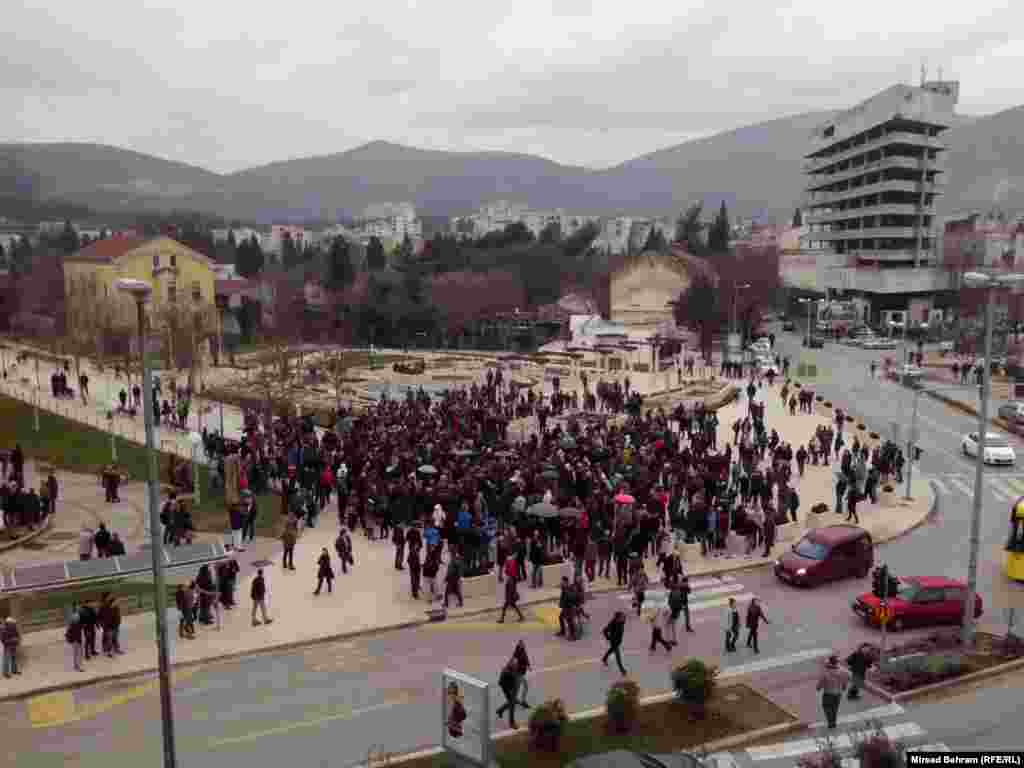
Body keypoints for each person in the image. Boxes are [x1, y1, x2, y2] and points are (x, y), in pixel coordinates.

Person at [816, 655, 849, 729]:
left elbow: (820, 683)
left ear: (830, 663)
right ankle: (833, 722)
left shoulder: (826, 672)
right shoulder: (842, 671)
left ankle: (830, 722)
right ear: (837, 662)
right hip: (838, 693)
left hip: (828, 693)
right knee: (834, 708)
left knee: (827, 707)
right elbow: (845, 680)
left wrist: (818, 688)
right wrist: (844, 687)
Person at [495, 658, 522, 729]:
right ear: (510, 664)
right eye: (515, 665)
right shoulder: (507, 672)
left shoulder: (512, 670)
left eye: (516, 664)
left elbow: (516, 678)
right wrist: (511, 691)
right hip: (507, 688)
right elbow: (501, 682)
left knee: (513, 702)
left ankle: (500, 710)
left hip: (510, 687)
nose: (516, 665)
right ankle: (511, 723)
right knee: (512, 704)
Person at [498, 556, 524, 623]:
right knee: (513, 605)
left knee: (506, 606)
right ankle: (521, 616)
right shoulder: (513, 576)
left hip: (509, 596)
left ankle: (502, 619)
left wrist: (509, 597)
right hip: (510, 596)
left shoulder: (510, 579)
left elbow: (510, 589)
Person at [601, 610, 628, 675]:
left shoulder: (621, 622)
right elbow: (604, 630)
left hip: (618, 641)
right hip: (614, 642)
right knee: (618, 656)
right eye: (622, 617)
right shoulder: (612, 623)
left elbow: (624, 620)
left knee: (611, 650)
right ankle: (622, 670)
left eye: (623, 617)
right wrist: (608, 638)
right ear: (617, 618)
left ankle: (604, 659)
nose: (623, 618)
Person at [513, 640, 531, 707]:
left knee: (518, 687)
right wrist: (524, 666)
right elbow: (515, 664)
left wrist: (528, 665)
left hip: (522, 672)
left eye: (523, 644)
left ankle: (515, 699)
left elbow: (526, 658)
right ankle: (521, 701)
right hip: (519, 673)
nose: (523, 645)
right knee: (523, 686)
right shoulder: (516, 653)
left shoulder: (523, 651)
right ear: (519, 645)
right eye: (522, 644)